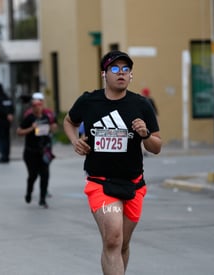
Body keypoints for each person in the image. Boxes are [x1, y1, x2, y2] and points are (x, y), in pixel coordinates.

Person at [63, 50, 162, 274]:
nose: (121, 73)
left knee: (122, 244)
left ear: (131, 75)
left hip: (134, 184)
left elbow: (156, 146)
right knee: (113, 239)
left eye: (126, 69)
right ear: (104, 74)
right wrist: (75, 141)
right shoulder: (89, 101)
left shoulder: (141, 105)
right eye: (115, 69)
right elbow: (69, 121)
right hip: (101, 183)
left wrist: (145, 134)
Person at [16, 93, 57, 208]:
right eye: (34, 105)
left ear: (42, 105)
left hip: (43, 151)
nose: (37, 107)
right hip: (30, 152)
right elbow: (19, 132)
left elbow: (53, 127)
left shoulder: (46, 117)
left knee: (45, 175)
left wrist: (52, 128)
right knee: (33, 175)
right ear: (32, 107)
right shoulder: (29, 118)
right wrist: (31, 128)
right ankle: (29, 192)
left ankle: (42, 199)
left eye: (39, 105)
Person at [0, 83, 14, 164]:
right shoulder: (6, 97)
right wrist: (9, 114)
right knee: (6, 139)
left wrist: (7, 114)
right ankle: (6, 156)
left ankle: (3, 156)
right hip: (6, 123)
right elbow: (11, 107)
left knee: (1, 139)